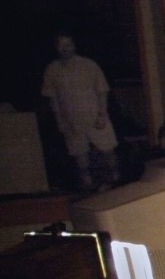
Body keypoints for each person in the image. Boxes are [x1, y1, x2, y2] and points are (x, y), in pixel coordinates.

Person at [41, 33, 120, 191]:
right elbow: (53, 99)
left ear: (74, 45)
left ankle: (116, 181)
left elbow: (102, 91)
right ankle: (88, 186)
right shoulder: (52, 69)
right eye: (61, 45)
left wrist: (102, 115)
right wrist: (61, 122)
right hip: (71, 122)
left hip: (94, 116)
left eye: (68, 45)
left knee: (108, 150)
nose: (65, 49)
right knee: (80, 155)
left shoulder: (89, 65)